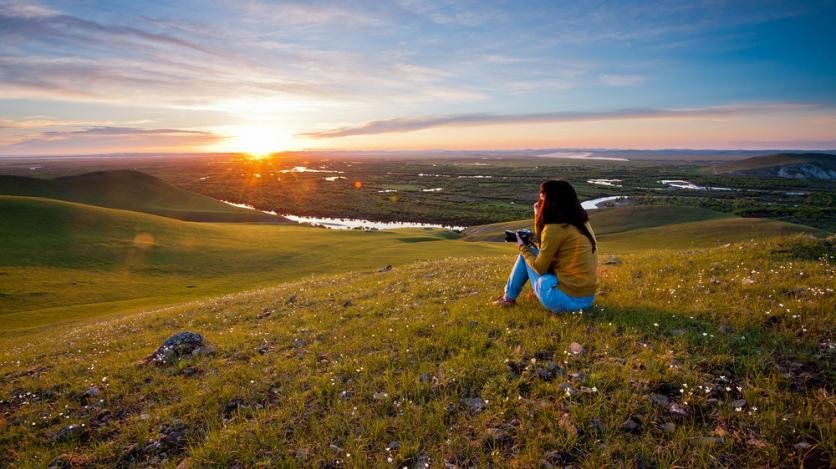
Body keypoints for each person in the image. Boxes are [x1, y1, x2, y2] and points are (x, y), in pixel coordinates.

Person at [495, 180, 598, 312]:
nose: (540, 201)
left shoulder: (554, 228)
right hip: (587, 299)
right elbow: (545, 248)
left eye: (542, 197)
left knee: (526, 257)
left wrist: (521, 246)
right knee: (532, 255)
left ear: (551, 201)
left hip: (565, 300)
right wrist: (538, 218)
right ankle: (509, 298)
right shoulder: (580, 221)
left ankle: (508, 299)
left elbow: (540, 268)